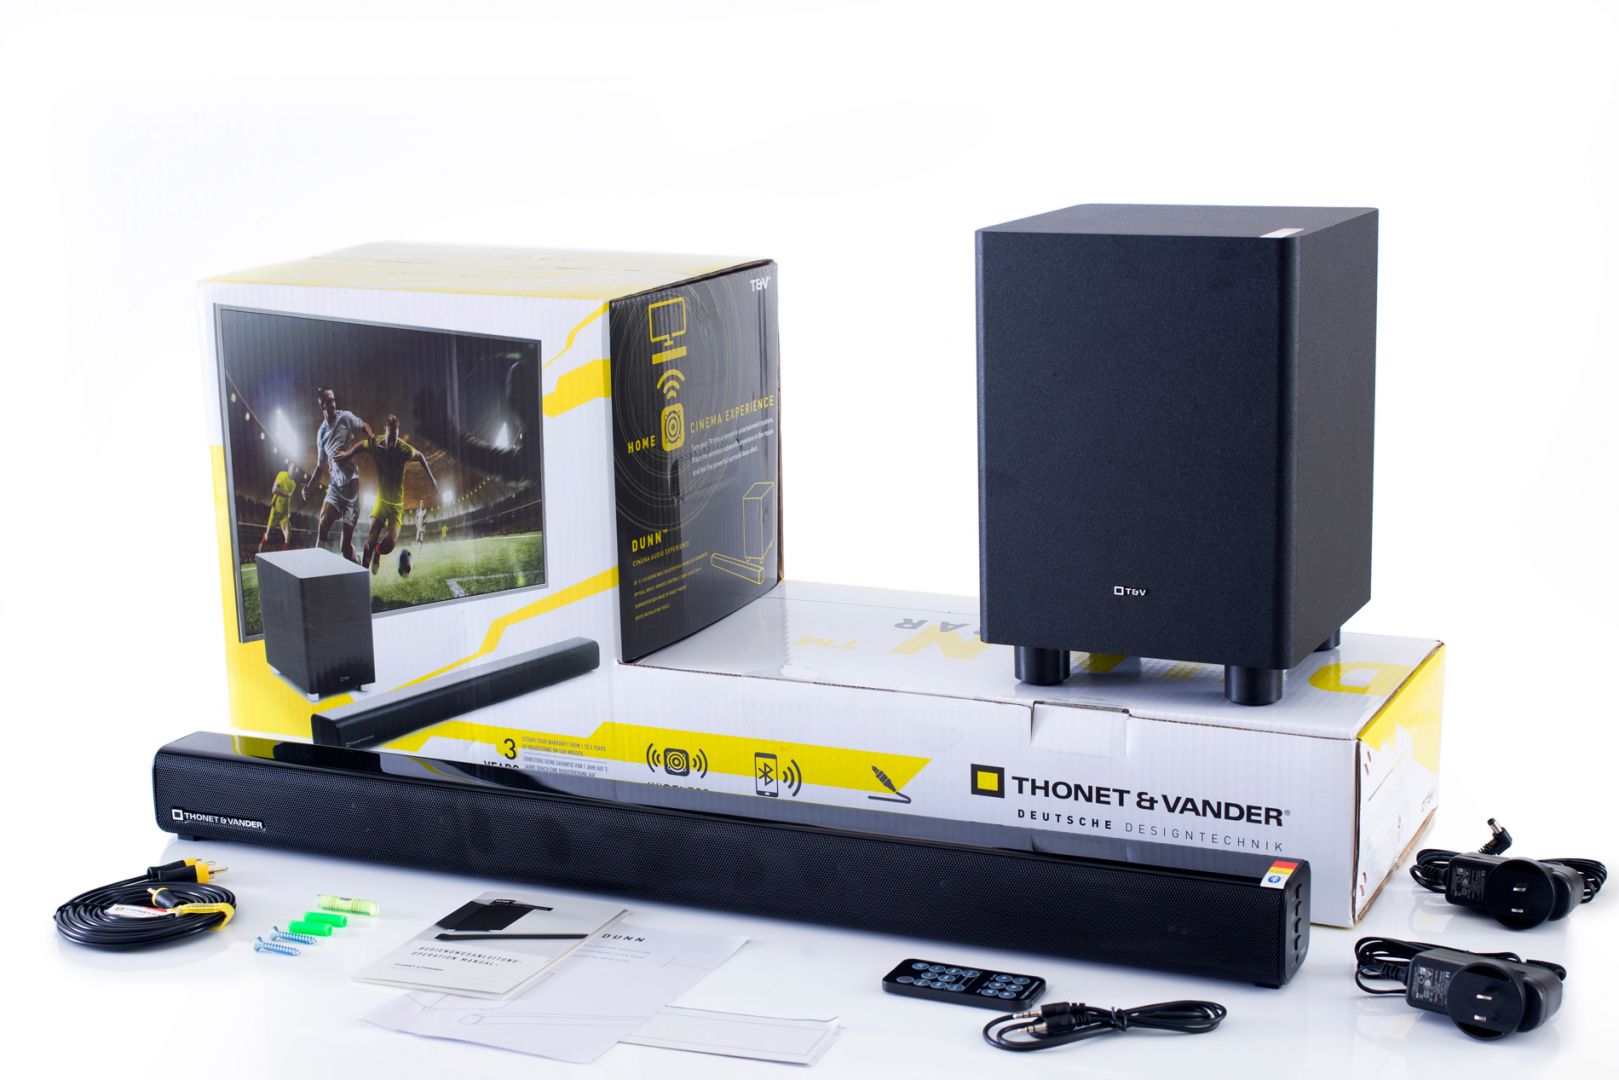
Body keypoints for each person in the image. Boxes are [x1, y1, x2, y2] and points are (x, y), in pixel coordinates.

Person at [335, 413, 437, 576]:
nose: (392, 442)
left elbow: (421, 457)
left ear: (398, 433)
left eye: (395, 438)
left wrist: (431, 479)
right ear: (385, 431)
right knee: (369, 543)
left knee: (390, 544)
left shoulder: (404, 449)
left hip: (396, 505)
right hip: (381, 501)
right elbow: (361, 445)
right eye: (390, 437)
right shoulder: (376, 443)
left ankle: (378, 552)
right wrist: (347, 454)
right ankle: (363, 575)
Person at [301, 387, 370, 562]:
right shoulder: (321, 434)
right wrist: (309, 487)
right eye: (328, 401)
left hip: (352, 492)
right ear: (322, 406)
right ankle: (319, 569)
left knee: (344, 548)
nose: (332, 404)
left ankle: (357, 562)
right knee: (323, 525)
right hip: (335, 488)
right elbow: (320, 466)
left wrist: (371, 436)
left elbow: (364, 425)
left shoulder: (345, 417)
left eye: (333, 400)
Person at [258, 468, 296, 553]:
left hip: (285, 514)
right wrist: (287, 494)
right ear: (289, 468)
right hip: (276, 510)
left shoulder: (294, 484)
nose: (295, 471)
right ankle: (261, 544)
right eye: (293, 469)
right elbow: (274, 490)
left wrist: (289, 511)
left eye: (296, 470)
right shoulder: (282, 474)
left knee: (288, 535)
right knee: (268, 536)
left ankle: (283, 556)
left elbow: (289, 499)